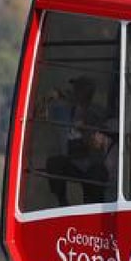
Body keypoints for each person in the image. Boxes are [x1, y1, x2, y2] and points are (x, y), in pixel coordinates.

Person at [44, 76, 109, 206]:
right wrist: (51, 97)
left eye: (79, 89)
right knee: (54, 163)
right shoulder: (66, 110)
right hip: (73, 161)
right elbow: (45, 109)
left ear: (88, 93)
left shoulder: (97, 112)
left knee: (97, 175)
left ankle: (94, 208)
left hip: (91, 163)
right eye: (75, 89)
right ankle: (62, 202)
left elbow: (99, 142)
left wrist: (85, 129)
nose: (74, 91)